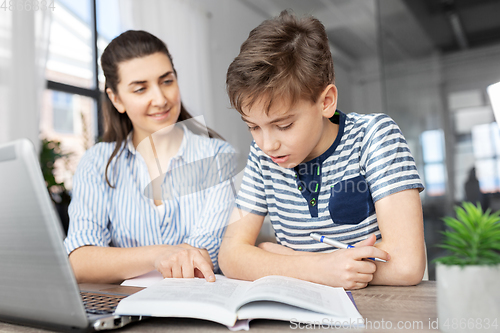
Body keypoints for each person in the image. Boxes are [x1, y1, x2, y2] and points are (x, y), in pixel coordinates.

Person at [219, 10, 426, 289]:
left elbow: (406, 264)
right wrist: (318, 268)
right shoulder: (262, 157)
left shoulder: (374, 137)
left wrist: (281, 260)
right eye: (253, 127)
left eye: (284, 125)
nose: (267, 144)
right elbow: (230, 256)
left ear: (326, 101)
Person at [64, 30, 236, 284]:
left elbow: (198, 260)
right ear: (116, 99)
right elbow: (79, 261)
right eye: (140, 89)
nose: (160, 99)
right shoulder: (97, 163)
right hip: (125, 308)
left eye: (167, 81)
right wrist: (158, 254)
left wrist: (122, 261)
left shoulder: (218, 157)